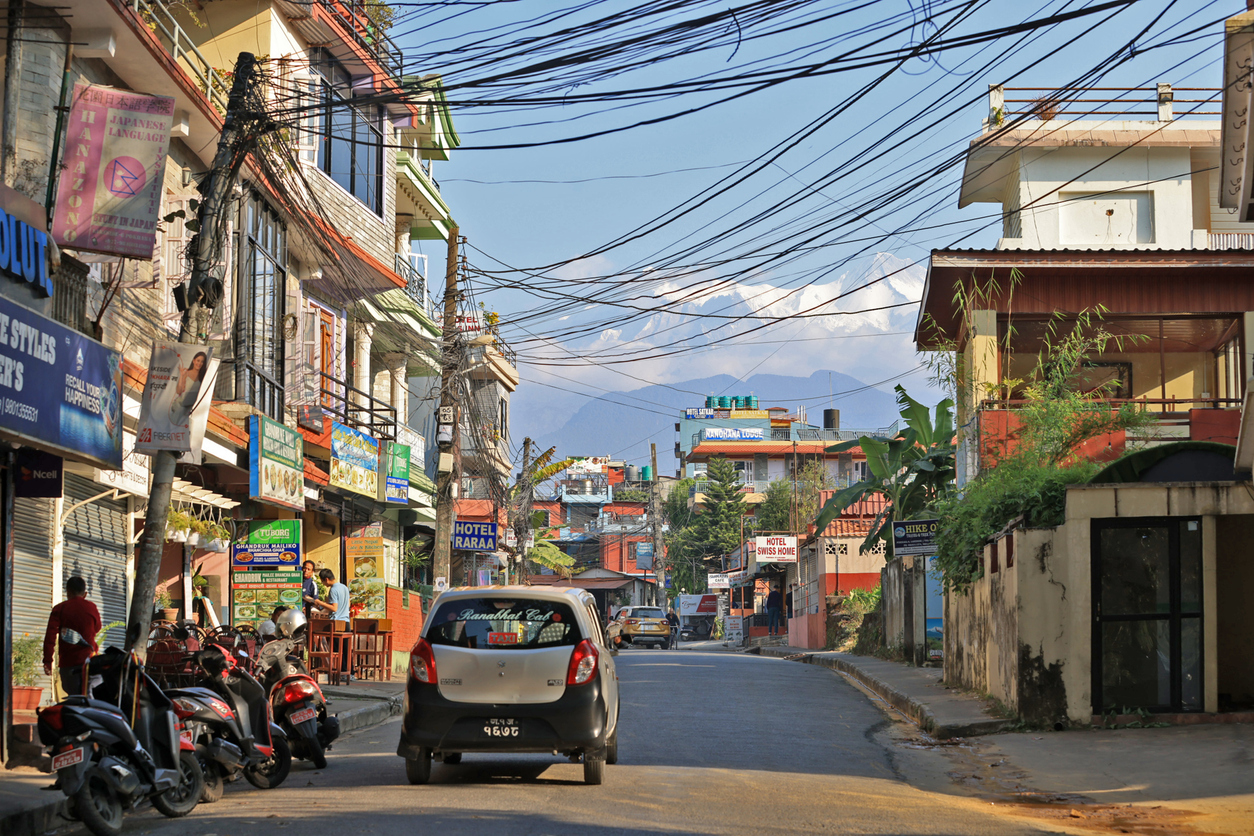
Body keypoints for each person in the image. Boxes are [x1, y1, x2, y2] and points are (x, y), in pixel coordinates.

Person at [43, 576, 101, 696]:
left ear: (68, 592)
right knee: (90, 699)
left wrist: (48, 660)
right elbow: (97, 628)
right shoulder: (92, 607)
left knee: (73, 698)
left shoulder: (60, 609)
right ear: (84, 594)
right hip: (90, 662)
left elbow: (50, 637)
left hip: (69, 664)